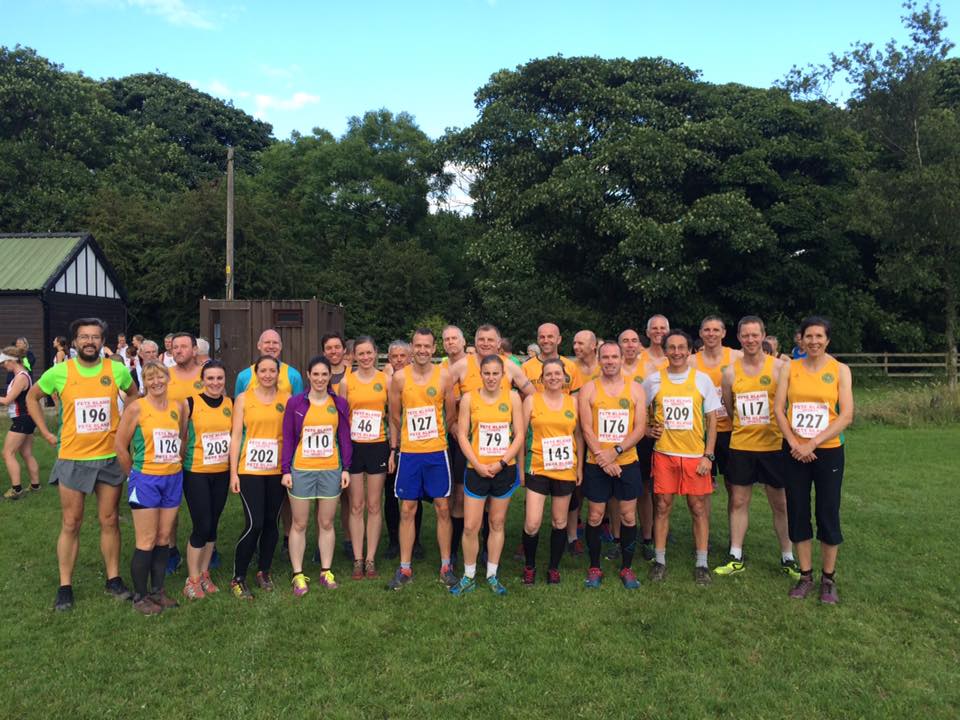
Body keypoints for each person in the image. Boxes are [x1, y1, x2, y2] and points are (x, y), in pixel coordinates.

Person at [26, 318, 137, 610]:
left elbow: (135, 398)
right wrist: (46, 431)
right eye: (84, 337)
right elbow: (32, 397)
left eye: (96, 337)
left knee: (110, 520)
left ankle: (113, 579)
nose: (90, 341)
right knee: (71, 522)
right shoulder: (60, 372)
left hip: (109, 459)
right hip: (73, 458)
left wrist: (125, 430)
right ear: (74, 342)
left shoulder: (117, 370)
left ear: (103, 341)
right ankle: (65, 585)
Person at [774, 316, 853, 604]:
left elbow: (846, 415)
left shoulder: (840, 370)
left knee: (828, 510)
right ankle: (805, 575)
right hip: (794, 450)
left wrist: (812, 443)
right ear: (801, 339)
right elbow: (779, 409)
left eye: (819, 336)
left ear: (827, 340)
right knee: (797, 508)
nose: (814, 341)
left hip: (828, 449)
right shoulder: (789, 368)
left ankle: (828, 579)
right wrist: (795, 443)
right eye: (809, 336)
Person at [715, 316, 799, 579]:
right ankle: (736, 555)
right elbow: (729, 407)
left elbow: (787, 405)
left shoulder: (779, 368)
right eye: (745, 336)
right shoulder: (729, 372)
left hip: (774, 445)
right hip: (741, 445)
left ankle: (788, 557)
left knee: (781, 503)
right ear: (738, 338)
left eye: (755, 335)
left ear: (763, 336)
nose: (750, 340)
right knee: (739, 500)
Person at [642, 330, 720, 585]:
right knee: (662, 506)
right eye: (671, 348)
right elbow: (638, 409)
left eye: (681, 348)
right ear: (665, 351)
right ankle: (660, 560)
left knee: (698, 508)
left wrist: (708, 455)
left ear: (689, 351)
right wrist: (645, 428)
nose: (676, 352)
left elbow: (712, 420)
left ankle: (702, 563)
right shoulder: (653, 381)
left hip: (694, 455)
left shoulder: (703, 380)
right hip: (665, 454)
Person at [386, 328, 458, 590]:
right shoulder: (400, 378)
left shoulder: (444, 376)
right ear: (412, 348)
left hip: (437, 452)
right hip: (410, 453)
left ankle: (446, 565)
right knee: (407, 509)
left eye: (427, 346)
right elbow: (395, 415)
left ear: (434, 348)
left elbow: (450, 414)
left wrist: (434, 434)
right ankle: (405, 568)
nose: (423, 350)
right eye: (418, 346)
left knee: (442, 507)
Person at [114, 361, 187, 614]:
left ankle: (158, 590)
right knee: (146, 540)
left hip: (173, 478)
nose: (156, 382)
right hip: (146, 479)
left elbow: (182, 438)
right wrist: (132, 474)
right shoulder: (136, 408)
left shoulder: (178, 407)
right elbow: (120, 446)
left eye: (160, 377)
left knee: (164, 538)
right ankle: (140, 596)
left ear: (168, 378)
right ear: (144, 382)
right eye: (149, 378)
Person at [451, 355, 524, 596]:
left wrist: (502, 463)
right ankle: (469, 575)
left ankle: (492, 574)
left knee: (497, 522)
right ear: (480, 374)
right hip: (477, 470)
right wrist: (478, 464)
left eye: (496, 373)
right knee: (471, 526)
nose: (491, 378)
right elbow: (462, 435)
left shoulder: (513, 397)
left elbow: (520, 436)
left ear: (503, 375)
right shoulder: (469, 399)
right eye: (487, 373)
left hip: (503, 470)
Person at [578, 342, 647, 589]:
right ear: (599, 360)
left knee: (628, 516)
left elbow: (640, 428)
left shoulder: (636, 389)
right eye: (605, 357)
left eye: (614, 357)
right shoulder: (589, 389)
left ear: (621, 359)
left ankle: (627, 568)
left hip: (626, 461)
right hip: (597, 462)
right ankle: (594, 566)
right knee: (595, 515)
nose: (609, 361)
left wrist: (615, 452)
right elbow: (586, 427)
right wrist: (601, 456)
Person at [282, 356, 352, 594]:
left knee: (326, 522)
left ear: (329, 376)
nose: (320, 379)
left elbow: (343, 437)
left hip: (330, 469)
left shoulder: (339, 403)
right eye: (316, 374)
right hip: (301, 469)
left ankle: (326, 570)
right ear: (308, 375)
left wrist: (346, 468)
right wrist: (285, 470)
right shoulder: (296, 403)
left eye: (325, 374)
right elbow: (289, 437)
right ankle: (298, 574)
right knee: (299, 523)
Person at [228, 355, 290, 599]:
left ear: (277, 373)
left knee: (271, 522)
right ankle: (238, 576)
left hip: (276, 471)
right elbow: (235, 437)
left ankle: (264, 570)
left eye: (271, 371)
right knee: (254, 523)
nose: (267, 375)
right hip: (250, 470)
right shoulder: (243, 399)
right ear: (255, 373)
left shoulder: (287, 399)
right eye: (262, 370)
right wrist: (233, 472)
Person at [521, 357, 584, 584]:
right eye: (549, 374)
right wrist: (521, 469)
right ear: (542, 378)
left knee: (559, 522)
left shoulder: (574, 403)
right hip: (537, 467)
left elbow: (579, 435)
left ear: (565, 377)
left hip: (565, 469)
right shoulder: (531, 401)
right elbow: (520, 436)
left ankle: (553, 568)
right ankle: (529, 566)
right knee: (532, 523)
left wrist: (579, 467)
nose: (553, 377)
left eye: (558, 374)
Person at [180, 361, 233, 600]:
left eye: (219, 378)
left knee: (213, 524)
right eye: (210, 378)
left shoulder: (231, 404)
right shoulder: (190, 403)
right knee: (201, 525)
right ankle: (191, 579)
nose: (215, 383)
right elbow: (180, 437)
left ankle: (204, 573)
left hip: (221, 471)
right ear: (202, 380)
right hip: (196, 471)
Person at [341, 336, 390, 579]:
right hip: (354, 447)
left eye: (369, 353)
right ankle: (357, 559)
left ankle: (370, 559)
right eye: (361, 353)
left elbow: (393, 415)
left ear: (375, 353)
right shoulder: (346, 382)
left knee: (373, 505)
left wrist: (393, 449)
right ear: (353, 356)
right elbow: (342, 419)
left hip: (378, 446)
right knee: (356, 505)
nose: (366, 357)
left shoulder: (385, 380)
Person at [382, 339, 424, 559]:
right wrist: (393, 448)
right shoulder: (384, 381)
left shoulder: (417, 379)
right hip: (390, 442)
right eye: (394, 357)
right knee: (390, 493)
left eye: (402, 356)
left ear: (410, 357)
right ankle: (393, 541)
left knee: (414, 494)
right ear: (389, 359)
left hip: (415, 444)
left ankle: (415, 541)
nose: (399, 360)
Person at [692, 316, 743, 487]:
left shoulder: (737, 357)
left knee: (734, 486)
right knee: (704, 484)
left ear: (723, 333)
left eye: (715, 330)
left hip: (731, 429)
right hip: (703, 431)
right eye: (707, 330)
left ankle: (733, 515)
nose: (711, 333)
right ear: (700, 333)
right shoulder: (691, 362)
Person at [1, 347, 40, 499]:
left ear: (12, 361)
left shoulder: (21, 377)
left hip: (22, 419)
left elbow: (7, 400)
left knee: (7, 453)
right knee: (26, 453)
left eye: (5, 362)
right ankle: (35, 485)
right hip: (26, 418)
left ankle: (16, 490)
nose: (4, 366)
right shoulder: (20, 375)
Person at [234, 329, 304, 396]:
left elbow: (299, 406)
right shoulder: (243, 376)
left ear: (281, 346)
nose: (271, 346)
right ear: (259, 345)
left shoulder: (294, 376)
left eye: (275, 343)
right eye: (267, 342)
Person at [522, 323, 581, 395]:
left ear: (559, 339)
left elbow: (576, 397)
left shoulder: (571, 366)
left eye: (550, 337)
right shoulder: (526, 367)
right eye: (542, 337)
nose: (546, 340)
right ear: (537, 340)